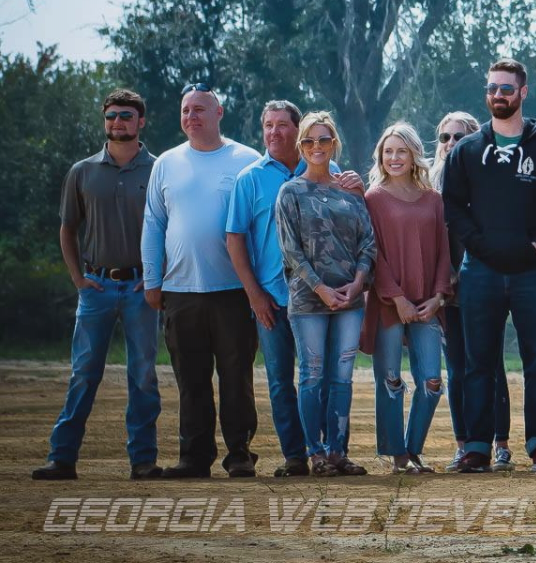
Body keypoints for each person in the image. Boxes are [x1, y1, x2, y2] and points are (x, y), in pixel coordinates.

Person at [442, 59, 536, 472]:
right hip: (481, 272)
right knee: (478, 363)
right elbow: (453, 208)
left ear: (522, 93)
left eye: (507, 89)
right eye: (493, 88)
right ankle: (476, 447)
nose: (499, 95)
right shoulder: (467, 151)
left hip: (535, 270)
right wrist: (480, 247)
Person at [34, 88, 162, 481]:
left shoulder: (160, 169)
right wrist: (78, 278)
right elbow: (68, 228)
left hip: (142, 287)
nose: (117, 122)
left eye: (125, 115)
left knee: (142, 374)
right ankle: (62, 458)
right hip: (97, 286)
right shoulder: (82, 171)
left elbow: (172, 229)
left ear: (141, 121)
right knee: (84, 372)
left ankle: (143, 461)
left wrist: (158, 276)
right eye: (111, 116)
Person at [141, 84, 262, 478]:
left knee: (236, 377)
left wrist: (258, 287)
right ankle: (194, 457)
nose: (191, 116)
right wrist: (152, 278)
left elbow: (260, 226)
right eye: (186, 110)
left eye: (200, 109)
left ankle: (239, 454)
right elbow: (153, 224)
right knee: (191, 381)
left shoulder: (246, 160)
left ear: (219, 112)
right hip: (180, 291)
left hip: (233, 291)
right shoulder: (167, 163)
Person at [226, 99, 349, 477]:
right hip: (273, 299)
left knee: (323, 377)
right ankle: (295, 456)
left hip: (319, 298)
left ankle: (328, 453)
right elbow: (235, 238)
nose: (275, 132)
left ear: (298, 131)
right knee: (281, 381)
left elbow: (349, 230)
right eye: (268, 125)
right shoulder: (250, 178)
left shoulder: (329, 171)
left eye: (282, 125)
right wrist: (254, 294)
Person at [277, 111, 376, 476]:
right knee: (312, 375)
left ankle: (338, 452)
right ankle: (315, 454)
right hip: (307, 301)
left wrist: (358, 282)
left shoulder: (350, 191)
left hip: (350, 299)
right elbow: (290, 251)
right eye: (309, 141)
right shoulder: (291, 192)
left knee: (342, 377)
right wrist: (320, 288)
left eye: (323, 140)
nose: (316, 147)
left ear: (334, 143)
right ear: (300, 146)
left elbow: (368, 242)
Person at [366, 122, 453, 474]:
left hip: (427, 302)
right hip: (390, 303)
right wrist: (395, 297)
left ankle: (414, 450)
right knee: (390, 381)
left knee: (432, 381)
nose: (394, 157)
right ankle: (396, 453)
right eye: (388, 151)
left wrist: (438, 297)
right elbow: (373, 254)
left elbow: (443, 252)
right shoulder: (372, 198)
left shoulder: (433, 199)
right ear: (380, 157)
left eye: (401, 151)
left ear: (415, 154)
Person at [431, 111, 513, 472]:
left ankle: (501, 445)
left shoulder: (489, 178)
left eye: (460, 136)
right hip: (446, 293)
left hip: (486, 285)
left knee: (490, 365)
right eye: (445, 137)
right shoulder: (429, 186)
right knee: (457, 369)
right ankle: (464, 445)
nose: (451, 143)